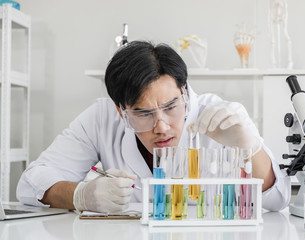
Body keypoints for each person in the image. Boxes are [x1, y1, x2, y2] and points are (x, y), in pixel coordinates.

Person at [16, 41, 290, 213]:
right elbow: (30, 184)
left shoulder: (224, 117)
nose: (161, 126)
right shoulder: (101, 117)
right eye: (143, 113)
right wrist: (80, 196)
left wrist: (249, 147)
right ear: (120, 110)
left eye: (171, 107)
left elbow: (277, 199)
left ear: (184, 91)